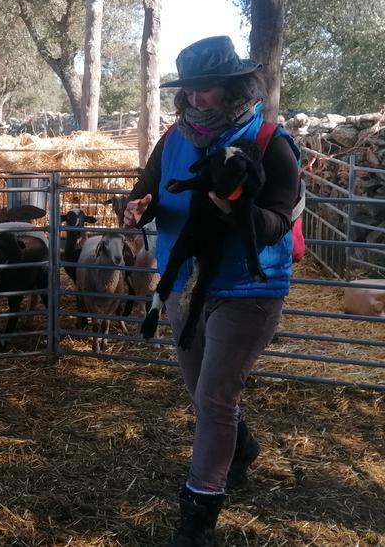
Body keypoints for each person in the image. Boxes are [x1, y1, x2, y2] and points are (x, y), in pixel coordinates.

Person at [121, 36, 300, 547]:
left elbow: (276, 223)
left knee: (215, 399)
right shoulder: (175, 139)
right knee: (201, 394)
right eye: (190, 91)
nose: (196, 100)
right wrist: (136, 209)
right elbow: (146, 192)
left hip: (247, 287)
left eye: (207, 89)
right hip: (182, 283)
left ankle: (198, 512)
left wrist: (229, 207)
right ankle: (241, 449)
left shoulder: (270, 142)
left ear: (235, 87)